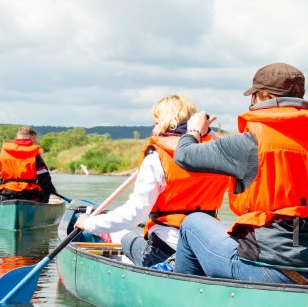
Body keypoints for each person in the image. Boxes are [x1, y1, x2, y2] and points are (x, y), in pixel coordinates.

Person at [171, 63, 308, 286]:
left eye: (254, 97)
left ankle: (190, 299)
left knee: (193, 223)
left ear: (264, 96)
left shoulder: (251, 142)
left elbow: (184, 156)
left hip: (266, 269)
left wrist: (193, 130)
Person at [73, 95, 231, 267]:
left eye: (156, 122)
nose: (153, 128)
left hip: (165, 250)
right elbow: (232, 153)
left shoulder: (156, 157)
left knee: (122, 235)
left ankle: (105, 235)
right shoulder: (217, 154)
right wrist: (209, 132)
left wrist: (88, 223)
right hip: (206, 247)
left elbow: (134, 214)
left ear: (167, 123)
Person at [0, 126, 58, 203]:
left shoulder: (3, 154)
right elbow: (45, 181)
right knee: (45, 191)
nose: (34, 143)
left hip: (7, 195)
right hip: (30, 196)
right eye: (34, 140)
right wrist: (52, 191)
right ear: (30, 137)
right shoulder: (35, 155)